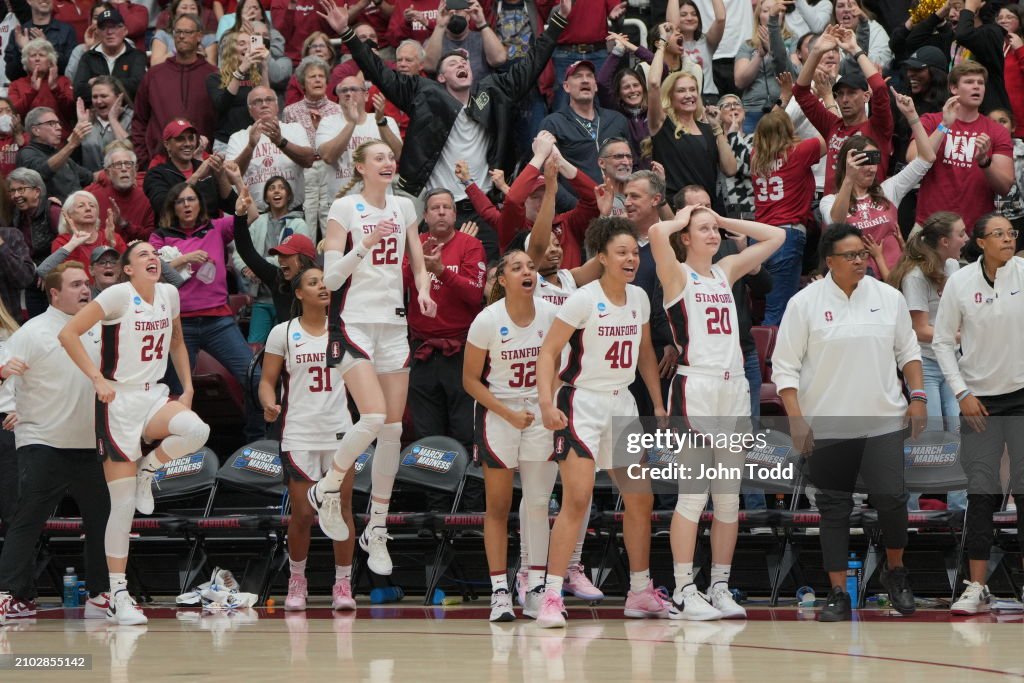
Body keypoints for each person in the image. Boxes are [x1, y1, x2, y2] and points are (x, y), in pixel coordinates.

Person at [319, 0, 573, 261]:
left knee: (494, 274)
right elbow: (380, 72)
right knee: (429, 276)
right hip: (438, 207)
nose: (461, 64)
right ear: (440, 77)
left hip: (482, 206)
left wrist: (559, 21)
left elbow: (532, 63)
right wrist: (346, 32)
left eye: (464, 63)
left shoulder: (493, 91)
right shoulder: (424, 94)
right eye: (452, 63)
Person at [772, 224, 927, 622]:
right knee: (834, 509)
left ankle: (896, 573)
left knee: (892, 500)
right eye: (851, 255)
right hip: (828, 427)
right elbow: (784, 367)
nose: (861, 260)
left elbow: (908, 351)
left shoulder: (888, 297)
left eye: (862, 253)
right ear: (830, 262)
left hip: (884, 421)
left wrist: (918, 397)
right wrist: (797, 420)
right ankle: (838, 592)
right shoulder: (804, 303)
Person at [59, 242, 211, 626]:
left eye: (154, 254)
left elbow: (177, 340)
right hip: (117, 402)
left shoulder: (169, 294)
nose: (151, 258)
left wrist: (187, 386)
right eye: (142, 254)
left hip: (154, 395)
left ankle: (150, 470)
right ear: (127, 269)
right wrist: (96, 379)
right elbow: (68, 334)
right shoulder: (116, 296)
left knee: (196, 430)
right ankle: (118, 593)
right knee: (122, 506)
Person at [305, 139, 435, 578]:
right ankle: (327, 487)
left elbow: (416, 261)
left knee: (394, 429)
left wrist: (424, 289)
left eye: (390, 157)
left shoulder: (404, 208)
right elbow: (329, 276)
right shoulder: (345, 211)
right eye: (378, 157)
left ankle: (375, 527)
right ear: (360, 168)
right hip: (354, 323)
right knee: (374, 416)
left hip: (393, 324)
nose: (388, 162)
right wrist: (363, 247)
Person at [648, 203, 784, 620]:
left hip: (733, 389)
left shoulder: (725, 271)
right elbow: (656, 233)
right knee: (693, 496)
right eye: (702, 230)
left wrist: (722, 220)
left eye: (714, 230)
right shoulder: (676, 275)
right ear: (685, 238)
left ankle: (720, 586)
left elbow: (776, 237)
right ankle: (683, 590)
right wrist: (685, 213)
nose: (712, 235)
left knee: (727, 500)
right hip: (697, 386)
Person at [535, 217, 668, 628]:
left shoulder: (640, 298)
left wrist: (659, 407)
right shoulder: (582, 300)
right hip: (581, 403)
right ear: (602, 257)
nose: (631, 258)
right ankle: (552, 595)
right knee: (577, 499)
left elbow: (646, 354)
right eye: (622, 252)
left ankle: (640, 591)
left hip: (622, 404)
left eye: (635, 251)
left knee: (641, 499)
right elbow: (547, 352)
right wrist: (545, 401)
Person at [0, 263, 110, 623]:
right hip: (42, 441)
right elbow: (4, 367)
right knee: (27, 520)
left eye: (86, 284)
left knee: (101, 521)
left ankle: (99, 595)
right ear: (54, 293)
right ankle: (11, 596)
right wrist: (9, 405)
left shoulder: (96, 328)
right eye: (75, 284)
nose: (85, 290)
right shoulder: (33, 332)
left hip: (89, 444)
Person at [934, 213, 1024, 614]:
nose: (1008, 239)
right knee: (982, 494)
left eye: (1012, 234)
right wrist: (961, 392)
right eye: (1000, 234)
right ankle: (976, 587)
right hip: (979, 403)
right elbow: (940, 343)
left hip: (1022, 395)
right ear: (981, 242)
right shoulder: (960, 283)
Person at [463, 242, 558, 622]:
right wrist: (508, 412)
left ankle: (535, 587)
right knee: (498, 508)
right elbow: (470, 380)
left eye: (531, 266)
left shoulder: (553, 314)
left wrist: (547, 406)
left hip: (539, 414)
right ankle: (499, 592)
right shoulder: (487, 319)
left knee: (537, 502)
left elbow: (562, 368)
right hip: (498, 414)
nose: (527, 272)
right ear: (501, 279)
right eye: (517, 267)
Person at [258, 265, 357, 612]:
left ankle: (342, 583)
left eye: (324, 282)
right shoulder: (282, 333)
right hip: (298, 431)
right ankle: (297, 580)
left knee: (342, 509)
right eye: (312, 283)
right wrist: (268, 402)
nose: (321, 287)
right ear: (299, 293)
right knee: (302, 512)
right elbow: (267, 380)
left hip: (340, 432)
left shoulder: (346, 331)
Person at [148, 181, 263, 443]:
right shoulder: (161, 236)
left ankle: (256, 442)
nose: (186, 205)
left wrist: (237, 181)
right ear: (173, 207)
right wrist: (183, 260)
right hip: (180, 325)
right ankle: (178, 449)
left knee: (254, 377)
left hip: (218, 321)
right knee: (176, 391)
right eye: (180, 201)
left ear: (200, 203)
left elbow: (252, 215)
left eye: (191, 199)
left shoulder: (216, 227)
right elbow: (150, 268)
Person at [887, 211, 968, 511]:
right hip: (925, 364)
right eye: (961, 234)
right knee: (929, 436)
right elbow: (919, 329)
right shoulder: (915, 276)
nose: (966, 239)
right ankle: (908, 510)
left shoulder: (952, 265)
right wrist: (963, 335)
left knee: (960, 432)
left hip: (951, 361)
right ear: (945, 241)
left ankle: (961, 510)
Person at [822, 92, 948, 280]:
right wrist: (848, 179)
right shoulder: (829, 200)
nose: (871, 167)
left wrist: (914, 116)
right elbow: (837, 222)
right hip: (855, 280)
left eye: (875, 159)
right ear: (848, 163)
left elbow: (927, 158)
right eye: (863, 160)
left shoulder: (888, 190)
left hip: (894, 279)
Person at [402, 188, 485, 453]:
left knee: (464, 430)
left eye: (447, 207)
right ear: (424, 215)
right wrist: (415, 264)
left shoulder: (470, 245)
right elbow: (394, 288)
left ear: (455, 214)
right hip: (422, 349)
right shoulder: (414, 243)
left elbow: (474, 294)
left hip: (461, 350)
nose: (441, 212)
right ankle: (434, 495)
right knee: (426, 434)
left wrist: (440, 271)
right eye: (435, 208)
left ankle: (465, 493)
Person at [909, 62, 1014, 237]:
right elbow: (913, 159)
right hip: (930, 226)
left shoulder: (997, 131)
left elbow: (1005, 186)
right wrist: (944, 126)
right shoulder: (931, 121)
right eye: (969, 82)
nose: (976, 87)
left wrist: (984, 162)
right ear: (954, 88)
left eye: (980, 83)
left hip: (975, 232)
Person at [792, 24, 893, 194]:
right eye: (840, 94)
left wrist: (855, 49)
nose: (844, 99)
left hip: (867, 213)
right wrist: (816, 51)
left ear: (866, 96)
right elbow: (801, 93)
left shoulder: (878, 127)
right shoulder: (832, 125)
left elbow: (880, 88)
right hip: (833, 212)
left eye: (852, 93)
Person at [749, 109, 824, 325]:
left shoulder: (755, 157)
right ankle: (770, 358)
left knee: (765, 306)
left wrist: (783, 99)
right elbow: (832, 132)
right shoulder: (798, 152)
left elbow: (770, 124)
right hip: (786, 236)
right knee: (779, 311)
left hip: (759, 237)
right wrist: (827, 98)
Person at [131, 13, 218, 169]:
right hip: (160, 165)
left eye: (187, 32)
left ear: (199, 36)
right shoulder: (154, 74)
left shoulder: (213, 75)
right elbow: (139, 120)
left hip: (203, 164)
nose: (181, 37)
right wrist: (144, 159)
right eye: (177, 32)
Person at [232, 176, 313, 342]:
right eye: (271, 188)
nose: (281, 260)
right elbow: (246, 252)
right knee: (255, 346)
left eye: (286, 255)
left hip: (307, 354)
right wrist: (240, 215)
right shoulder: (277, 278)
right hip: (261, 297)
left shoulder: (318, 283)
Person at [648, 68, 737, 211]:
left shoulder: (708, 129)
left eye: (692, 89)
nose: (689, 95)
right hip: (675, 210)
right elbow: (653, 83)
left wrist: (717, 128)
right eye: (681, 91)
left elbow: (731, 169)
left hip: (707, 208)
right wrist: (661, 46)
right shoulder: (662, 126)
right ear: (670, 96)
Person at [539, 59, 631, 194]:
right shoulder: (553, 123)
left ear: (596, 86)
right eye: (578, 76)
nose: (585, 80)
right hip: (578, 208)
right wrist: (577, 209)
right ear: (566, 87)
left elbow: (632, 164)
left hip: (619, 205)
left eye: (589, 76)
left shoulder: (617, 119)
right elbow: (548, 177)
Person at [315, 73, 402, 209]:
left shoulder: (386, 122)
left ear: (366, 95)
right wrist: (351, 122)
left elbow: (398, 155)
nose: (348, 93)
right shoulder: (328, 122)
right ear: (338, 97)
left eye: (354, 89)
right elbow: (328, 157)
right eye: (344, 90)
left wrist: (381, 122)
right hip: (341, 205)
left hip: (380, 204)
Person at [225, 86, 314, 213]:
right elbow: (230, 178)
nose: (264, 104)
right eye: (257, 102)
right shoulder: (238, 138)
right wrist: (250, 146)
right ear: (250, 110)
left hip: (293, 213)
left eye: (269, 100)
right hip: (257, 215)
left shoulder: (294, 129)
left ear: (277, 106)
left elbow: (309, 160)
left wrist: (280, 142)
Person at [144, 119, 234, 218]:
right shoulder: (156, 174)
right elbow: (163, 207)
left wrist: (220, 174)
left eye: (191, 138)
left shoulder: (205, 168)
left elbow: (232, 207)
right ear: (167, 145)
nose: (188, 143)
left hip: (210, 231)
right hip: (175, 232)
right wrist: (196, 176)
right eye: (180, 139)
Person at [733, 0, 795, 133]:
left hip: (784, 107)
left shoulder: (792, 41)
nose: (771, 14)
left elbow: (791, 74)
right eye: (766, 11)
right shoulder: (748, 45)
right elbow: (739, 81)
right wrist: (759, 55)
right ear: (759, 16)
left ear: (782, 15)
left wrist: (772, 48)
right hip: (753, 109)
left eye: (775, 11)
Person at [38, 190, 126, 281]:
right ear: (69, 215)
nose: (88, 209)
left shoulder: (113, 237)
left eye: (92, 206)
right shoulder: (63, 242)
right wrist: (74, 244)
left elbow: (126, 270)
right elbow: (67, 275)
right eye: (81, 206)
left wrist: (113, 245)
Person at [8, 167, 60, 317]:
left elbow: (66, 244)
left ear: (37, 191)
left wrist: (49, 269)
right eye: (12, 191)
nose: (16, 195)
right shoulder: (17, 214)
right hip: (32, 280)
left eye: (21, 189)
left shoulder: (53, 211)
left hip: (53, 279)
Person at [16, 105, 93, 202]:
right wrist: (72, 144)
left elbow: (89, 177)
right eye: (52, 124)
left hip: (76, 209)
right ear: (36, 130)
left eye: (58, 123)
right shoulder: (27, 153)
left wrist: (111, 166)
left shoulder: (60, 154)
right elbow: (42, 172)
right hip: (50, 213)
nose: (59, 127)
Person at [71, 7, 148, 102]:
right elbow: (78, 92)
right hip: (96, 113)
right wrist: (121, 84)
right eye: (104, 28)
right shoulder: (88, 57)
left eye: (114, 26)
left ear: (125, 31)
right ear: (98, 32)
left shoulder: (137, 56)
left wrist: (99, 83)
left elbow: (139, 87)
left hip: (128, 112)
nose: (109, 32)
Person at [86, 144, 155, 243]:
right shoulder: (94, 198)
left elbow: (151, 237)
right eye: (118, 165)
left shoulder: (147, 199)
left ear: (135, 170)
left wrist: (124, 224)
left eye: (128, 164)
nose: (124, 169)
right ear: (108, 172)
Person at [422, 0, 506, 80]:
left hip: (480, 93)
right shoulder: (434, 42)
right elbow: (428, 66)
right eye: (449, 10)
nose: (454, 14)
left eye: (458, 10)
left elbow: (499, 59)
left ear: (468, 15)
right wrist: (440, 26)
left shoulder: (483, 38)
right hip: (445, 94)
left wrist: (482, 23)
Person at [8, 38, 74, 129]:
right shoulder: (16, 85)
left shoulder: (64, 81)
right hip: (29, 139)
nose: (37, 59)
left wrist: (55, 88)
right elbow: (14, 114)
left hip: (60, 137)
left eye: (42, 55)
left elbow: (71, 111)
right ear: (26, 61)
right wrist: (32, 92)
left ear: (50, 60)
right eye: (33, 55)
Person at [4, 0, 77, 82]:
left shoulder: (66, 31)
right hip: (27, 92)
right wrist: (24, 50)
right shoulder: (19, 33)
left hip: (56, 91)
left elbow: (70, 70)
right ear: (29, 1)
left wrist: (47, 47)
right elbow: (11, 74)